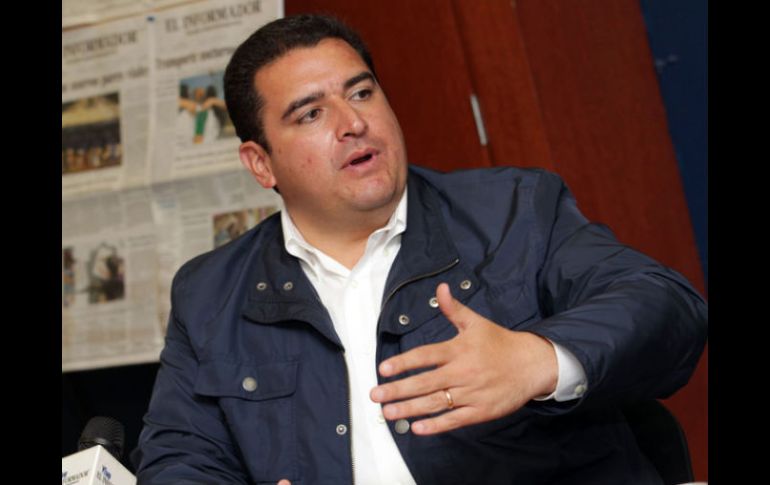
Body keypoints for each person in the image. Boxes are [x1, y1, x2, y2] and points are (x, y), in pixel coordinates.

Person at [133, 14, 707, 484]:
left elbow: (666, 305)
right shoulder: (210, 294)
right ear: (261, 164)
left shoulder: (514, 211)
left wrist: (539, 359)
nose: (353, 123)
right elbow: (181, 456)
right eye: (311, 113)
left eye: (361, 92)